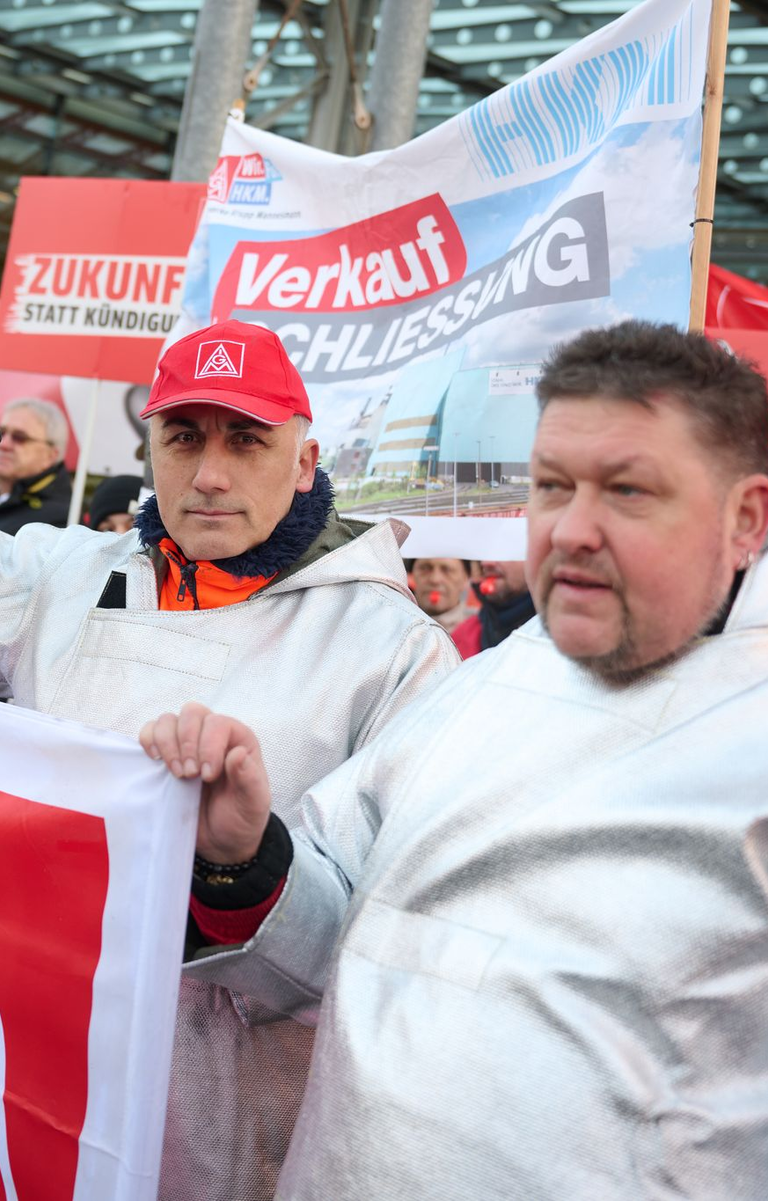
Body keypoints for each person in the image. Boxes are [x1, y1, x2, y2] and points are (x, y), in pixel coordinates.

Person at [0, 319, 457, 1200]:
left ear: (306, 460)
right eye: (183, 436)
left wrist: (244, 868)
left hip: (223, 1108)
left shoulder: (393, 651)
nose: (209, 472)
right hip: (28, 1050)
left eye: (247, 439)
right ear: (151, 447)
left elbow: (383, 941)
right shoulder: (68, 571)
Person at [140, 320, 768, 1200]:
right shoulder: (481, 685)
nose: (574, 529)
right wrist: (247, 860)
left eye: (627, 490)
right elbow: (321, 933)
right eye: (552, 486)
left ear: (746, 517)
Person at [0, 397, 73, 532]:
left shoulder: (63, 523)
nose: (4, 444)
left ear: (50, 455)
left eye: (20, 437)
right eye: (1, 433)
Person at [450, 557, 535, 657]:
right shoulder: (460, 638)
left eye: (504, 551)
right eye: (484, 554)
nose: (486, 563)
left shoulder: (554, 635)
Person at [406, 557, 473, 633]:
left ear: (466, 578)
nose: (435, 579)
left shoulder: (481, 629)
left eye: (447, 570)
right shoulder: (394, 623)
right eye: (425, 568)